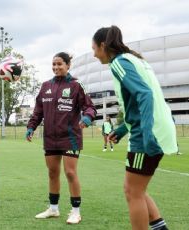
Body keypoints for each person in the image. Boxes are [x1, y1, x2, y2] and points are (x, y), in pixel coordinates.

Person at [92, 25, 178, 230]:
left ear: (103, 45)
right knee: (137, 189)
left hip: (149, 133)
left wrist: (147, 133)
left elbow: (145, 94)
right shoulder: (135, 59)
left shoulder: (118, 62)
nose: (94, 54)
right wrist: (122, 128)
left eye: (94, 48)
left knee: (133, 192)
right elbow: (138, 102)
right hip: (159, 128)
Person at [26, 52, 96, 224]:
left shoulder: (76, 85)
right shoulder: (45, 86)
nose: (56, 67)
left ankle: (75, 211)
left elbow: (90, 107)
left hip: (70, 137)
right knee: (52, 173)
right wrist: (30, 127)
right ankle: (53, 209)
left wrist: (87, 118)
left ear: (68, 65)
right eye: (54, 64)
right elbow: (38, 112)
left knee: (70, 173)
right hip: (50, 137)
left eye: (60, 64)